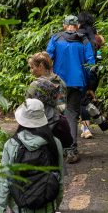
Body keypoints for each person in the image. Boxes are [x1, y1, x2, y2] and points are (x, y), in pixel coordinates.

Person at [46, 15, 95, 160]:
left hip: (58, 83)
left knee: (57, 114)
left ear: (64, 25)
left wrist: (49, 78)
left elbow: (47, 59)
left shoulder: (55, 38)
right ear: (77, 26)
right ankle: (72, 150)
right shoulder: (84, 40)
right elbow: (91, 65)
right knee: (72, 114)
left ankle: (57, 149)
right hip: (77, 83)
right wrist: (88, 83)